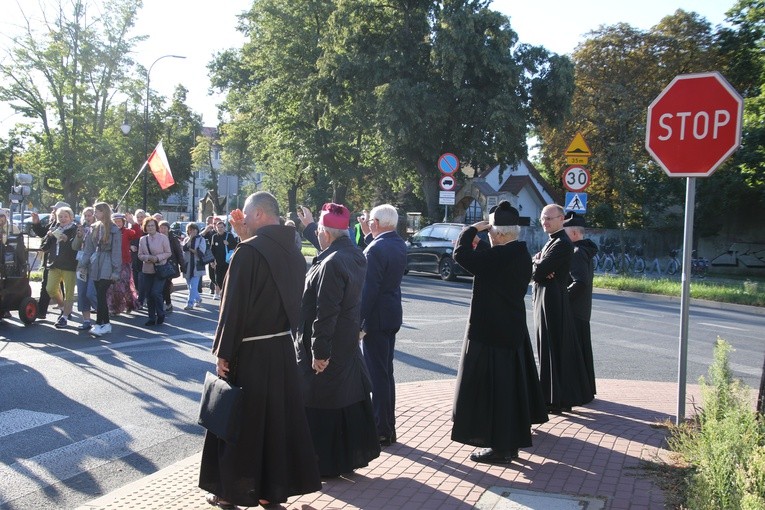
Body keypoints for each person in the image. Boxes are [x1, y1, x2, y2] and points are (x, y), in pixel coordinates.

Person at [199, 191, 321, 509]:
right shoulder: (295, 253)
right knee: (276, 426)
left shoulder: (248, 252)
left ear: (259, 215)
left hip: (250, 353)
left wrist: (223, 351)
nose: (243, 221)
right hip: (281, 349)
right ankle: (271, 492)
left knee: (240, 424)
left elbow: (233, 307)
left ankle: (229, 493)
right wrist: (244, 240)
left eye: (248, 216)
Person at [451, 201, 548, 464]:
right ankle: (508, 444)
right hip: (509, 330)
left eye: (492, 231)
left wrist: (469, 231)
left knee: (495, 394)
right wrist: (479, 239)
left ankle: (502, 447)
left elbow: (462, 256)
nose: (489, 235)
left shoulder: (500, 256)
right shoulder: (518, 252)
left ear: (500, 234)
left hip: (491, 333)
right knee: (507, 392)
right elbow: (486, 260)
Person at [295, 203, 380, 477]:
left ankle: (326, 464)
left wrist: (319, 352)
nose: (318, 235)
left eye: (318, 231)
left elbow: (325, 312)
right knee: (343, 399)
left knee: (322, 402)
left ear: (326, 235)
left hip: (328, 344)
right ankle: (346, 460)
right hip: (346, 343)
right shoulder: (353, 254)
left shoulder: (332, 263)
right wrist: (311, 224)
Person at [532, 204, 594, 413]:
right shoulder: (554, 241)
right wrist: (538, 263)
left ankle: (556, 399)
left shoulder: (562, 243)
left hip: (552, 301)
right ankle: (553, 397)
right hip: (546, 298)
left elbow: (539, 271)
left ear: (562, 219)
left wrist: (538, 264)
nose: (545, 222)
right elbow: (539, 268)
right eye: (542, 218)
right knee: (548, 349)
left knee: (553, 349)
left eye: (550, 218)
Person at [358, 204, 407, 446]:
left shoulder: (376, 249)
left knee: (377, 375)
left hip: (376, 319)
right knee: (386, 373)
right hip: (391, 314)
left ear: (376, 223)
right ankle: (388, 426)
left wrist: (358, 322)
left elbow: (369, 290)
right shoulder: (398, 243)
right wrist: (369, 234)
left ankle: (381, 428)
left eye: (370, 221)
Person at [564, 212, 599, 395]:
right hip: (582, 310)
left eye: (565, 231)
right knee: (582, 352)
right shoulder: (586, 250)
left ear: (575, 234)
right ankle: (586, 390)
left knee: (575, 354)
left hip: (574, 310)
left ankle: (579, 391)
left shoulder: (576, 252)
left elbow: (580, 281)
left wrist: (563, 299)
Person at [78, 202, 121, 337]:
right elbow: (88, 248)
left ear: (105, 212)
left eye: (98, 211)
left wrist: (116, 270)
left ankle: (100, 323)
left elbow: (116, 251)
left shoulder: (114, 229)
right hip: (95, 262)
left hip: (107, 262)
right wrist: (83, 264)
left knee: (101, 293)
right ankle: (106, 324)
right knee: (98, 293)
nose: (95, 214)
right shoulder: (94, 227)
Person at [31, 201, 69, 319]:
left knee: (61, 287)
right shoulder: (53, 223)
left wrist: (54, 235)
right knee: (47, 285)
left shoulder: (70, 226)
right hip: (51, 260)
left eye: (55, 210)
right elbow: (43, 234)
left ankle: (65, 311)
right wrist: (36, 223)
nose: (53, 211)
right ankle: (42, 311)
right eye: (54, 210)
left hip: (63, 261)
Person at [43, 206, 79, 328]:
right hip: (55, 264)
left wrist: (67, 239)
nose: (63, 219)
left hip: (69, 264)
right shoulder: (55, 228)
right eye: (60, 216)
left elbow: (76, 245)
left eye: (65, 216)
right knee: (50, 289)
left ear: (71, 217)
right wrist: (48, 235)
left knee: (69, 292)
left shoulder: (74, 229)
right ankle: (63, 308)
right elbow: (44, 247)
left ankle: (64, 318)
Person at [137, 217, 171, 326]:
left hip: (160, 269)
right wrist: (147, 257)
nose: (150, 227)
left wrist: (157, 258)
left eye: (152, 225)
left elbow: (168, 252)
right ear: (145, 227)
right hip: (147, 270)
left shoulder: (163, 238)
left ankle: (161, 314)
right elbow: (140, 255)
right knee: (149, 295)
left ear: (156, 226)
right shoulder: (143, 239)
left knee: (156, 292)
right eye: (148, 226)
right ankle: (151, 317)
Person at [106, 213, 140, 316]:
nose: (117, 224)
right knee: (113, 287)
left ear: (123, 222)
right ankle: (114, 307)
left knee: (124, 286)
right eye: (115, 222)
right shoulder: (109, 232)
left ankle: (131, 304)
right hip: (112, 263)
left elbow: (137, 234)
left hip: (124, 263)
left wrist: (133, 223)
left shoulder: (126, 232)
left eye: (119, 221)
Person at [71, 207, 98, 331]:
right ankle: (86, 321)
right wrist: (79, 236)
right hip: (81, 266)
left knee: (91, 293)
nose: (87, 218)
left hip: (94, 265)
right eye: (85, 215)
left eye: (90, 215)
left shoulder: (98, 228)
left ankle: (102, 315)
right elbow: (75, 247)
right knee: (82, 293)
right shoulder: (82, 228)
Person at [209, 219, 238, 300]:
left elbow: (236, 246)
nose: (220, 229)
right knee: (217, 279)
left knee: (226, 278)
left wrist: (228, 244)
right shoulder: (215, 236)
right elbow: (212, 249)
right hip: (218, 262)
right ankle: (222, 292)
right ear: (216, 228)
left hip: (227, 261)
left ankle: (225, 294)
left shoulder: (229, 235)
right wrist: (212, 261)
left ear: (224, 227)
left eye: (221, 227)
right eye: (218, 227)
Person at [159, 220, 184, 312]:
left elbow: (178, 252)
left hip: (170, 265)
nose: (163, 230)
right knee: (162, 285)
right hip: (159, 265)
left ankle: (167, 303)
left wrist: (182, 265)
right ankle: (166, 303)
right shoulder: (157, 238)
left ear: (168, 229)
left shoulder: (173, 239)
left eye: (165, 228)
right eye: (161, 228)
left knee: (165, 285)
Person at [181, 222, 206, 311]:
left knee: (193, 286)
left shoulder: (201, 239)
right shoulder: (186, 239)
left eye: (194, 229)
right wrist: (190, 239)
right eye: (190, 230)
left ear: (197, 230)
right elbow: (184, 248)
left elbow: (200, 252)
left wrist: (190, 249)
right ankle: (198, 299)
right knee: (189, 286)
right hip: (187, 266)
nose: (192, 231)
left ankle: (190, 303)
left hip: (197, 266)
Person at [129, 209, 147, 309]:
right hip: (134, 257)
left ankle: (141, 300)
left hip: (144, 258)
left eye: (142, 216)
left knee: (142, 279)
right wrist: (130, 246)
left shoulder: (147, 228)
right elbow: (128, 240)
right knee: (135, 279)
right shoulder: (132, 227)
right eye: (138, 217)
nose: (140, 219)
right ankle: (138, 298)